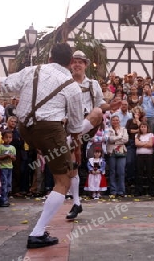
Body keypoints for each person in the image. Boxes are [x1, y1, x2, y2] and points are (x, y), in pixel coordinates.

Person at [0, 43, 84, 249]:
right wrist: (75, 147)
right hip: (49, 130)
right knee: (63, 181)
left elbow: (6, 83)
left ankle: (47, 154)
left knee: (52, 152)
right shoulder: (72, 86)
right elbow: (76, 123)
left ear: (50, 58)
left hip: (24, 129)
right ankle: (37, 232)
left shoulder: (34, 70)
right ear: (70, 62)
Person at [67, 50, 121, 220]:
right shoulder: (66, 83)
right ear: (70, 64)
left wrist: (111, 106)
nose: (77, 64)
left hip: (87, 126)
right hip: (69, 125)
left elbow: (100, 105)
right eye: (74, 61)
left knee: (98, 111)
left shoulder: (93, 84)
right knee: (72, 165)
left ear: (86, 65)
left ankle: (68, 141)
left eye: (80, 62)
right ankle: (76, 203)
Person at [106, 114, 129, 198]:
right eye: (113, 120)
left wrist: (115, 141)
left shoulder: (123, 129)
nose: (115, 121)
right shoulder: (108, 130)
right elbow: (109, 139)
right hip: (112, 152)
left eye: (117, 120)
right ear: (111, 121)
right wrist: (119, 137)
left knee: (121, 172)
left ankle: (121, 191)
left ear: (119, 121)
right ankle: (113, 191)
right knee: (112, 172)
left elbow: (125, 139)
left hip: (121, 152)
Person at [0, 130, 16, 207]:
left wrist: (12, 157)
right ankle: (1, 200)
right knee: (3, 183)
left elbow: (14, 159)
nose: (8, 139)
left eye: (10, 137)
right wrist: (6, 156)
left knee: (8, 184)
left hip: (10, 168)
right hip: (2, 168)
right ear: (3, 138)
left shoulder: (13, 148)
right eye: (6, 137)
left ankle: (5, 199)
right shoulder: (0, 147)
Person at [134, 122, 154, 197]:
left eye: (144, 127)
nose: (143, 128)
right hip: (140, 155)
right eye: (141, 127)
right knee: (139, 173)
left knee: (149, 173)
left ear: (147, 128)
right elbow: (136, 144)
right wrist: (146, 143)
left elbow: (150, 144)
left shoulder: (151, 135)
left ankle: (151, 190)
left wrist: (141, 143)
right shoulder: (137, 135)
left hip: (149, 155)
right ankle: (139, 190)